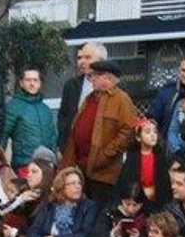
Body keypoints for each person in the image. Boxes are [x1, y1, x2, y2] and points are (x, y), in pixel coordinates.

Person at [60, 58, 139, 207]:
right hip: (83, 169)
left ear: (108, 78)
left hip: (104, 173)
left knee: (99, 211)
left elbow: (128, 131)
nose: (91, 79)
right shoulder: (90, 98)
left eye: (95, 76)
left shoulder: (121, 99)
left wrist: (105, 155)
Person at [57, 42, 105, 152]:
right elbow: (63, 115)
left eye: (88, 58)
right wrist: (62, 144)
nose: (82, 62)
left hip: (101, 150)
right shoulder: (71, 85)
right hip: (73, 150)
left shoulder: (111, 86)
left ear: (101, 61)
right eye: (79, 58)